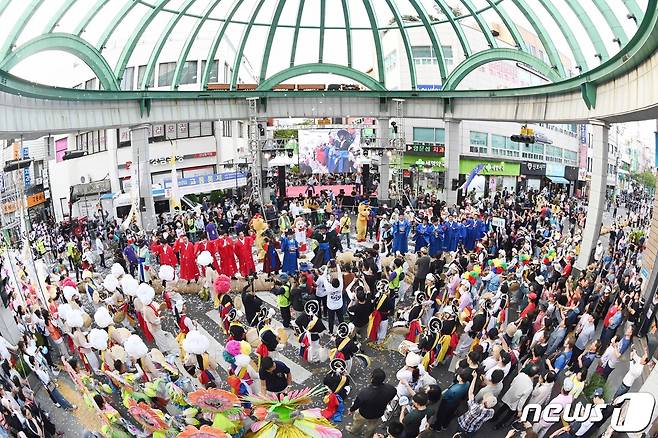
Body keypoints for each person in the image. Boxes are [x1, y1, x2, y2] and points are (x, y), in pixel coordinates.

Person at [347, 368, 396, 438]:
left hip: (363, 413)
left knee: (357, 422)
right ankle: (368, 436)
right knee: (372, 427)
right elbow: (393, 393)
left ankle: (354, 430)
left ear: (372, 378)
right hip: (378, 413)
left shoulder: (364, 393)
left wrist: (351, 410)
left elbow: (357, 404)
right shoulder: (390, 389)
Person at [457, 370, 497, 437]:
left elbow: (470, 392)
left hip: (463, 425)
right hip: (472, 430)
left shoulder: (474, 407)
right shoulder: (491, 413)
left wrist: (474, 378)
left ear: (484, 401)